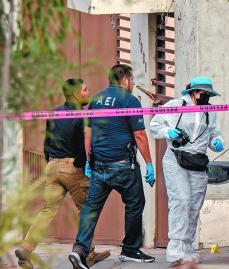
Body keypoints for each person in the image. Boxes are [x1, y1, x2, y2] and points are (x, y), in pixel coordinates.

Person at [15, 79, 110, 269]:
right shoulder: (80, 116)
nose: (88, 92)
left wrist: (51, 161)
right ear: (76, 95)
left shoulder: (54, 113)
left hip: (52, 166)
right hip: (71, 167)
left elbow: (46, 143)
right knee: (87, 210)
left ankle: (26, 248)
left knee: (47, 210)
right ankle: (86, 254)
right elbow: (80, 146)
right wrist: (83, 165)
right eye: (85, 90)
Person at [68, 64, 156, 269]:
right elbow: (140, 135)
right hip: (123, 166)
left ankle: (79, 250)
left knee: (90, 209)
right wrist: (149, 164)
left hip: (99, 166)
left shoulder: (96, 100)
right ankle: (130, 249)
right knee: (135, 203)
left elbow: (88, 133)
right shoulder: (130, 100)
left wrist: (90, 161)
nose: (133, 84)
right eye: (132, 80)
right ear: (125, 80)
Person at [150, 76, 224, 267]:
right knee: (181, 201)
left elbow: (214, 134)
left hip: (198, 161)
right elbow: (155, 125)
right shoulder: (175, 105)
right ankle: (175, 253)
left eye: (209, 94)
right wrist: (168, 132)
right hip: (176, 158)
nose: (206, 97)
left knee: (194, 206)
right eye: (203, 93)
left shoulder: (210, 111)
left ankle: (188, 250)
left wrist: (216, 142)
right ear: (193, 92)